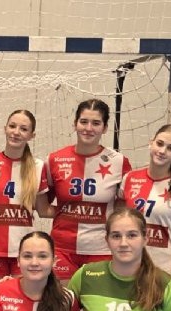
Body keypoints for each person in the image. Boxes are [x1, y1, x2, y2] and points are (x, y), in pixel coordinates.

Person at [36, 98, 132, 283]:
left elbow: (122, 212)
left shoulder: (119, 162)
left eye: (96, 123)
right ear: (75, 124)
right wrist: (69, 212)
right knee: (63, 300)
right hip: (63, 249)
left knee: (94, 301)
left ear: (105, 128)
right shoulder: (54, 159)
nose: (88, 128)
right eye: (84, 121)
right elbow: (43, 209)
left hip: (101, 249)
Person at [118, 124, 171, 281]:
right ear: (151, 143)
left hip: (163, 270)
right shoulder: (130, 178)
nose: (162, 151)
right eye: (160, 144)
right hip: (128, 268)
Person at [0, 110, 43, 284]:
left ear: (32, 135)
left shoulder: (38, 166)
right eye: (12, 126)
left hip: (25, 249)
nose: (16, 132)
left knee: (21, 298)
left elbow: (43, 209)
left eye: (23, 129)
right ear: (5, 128)